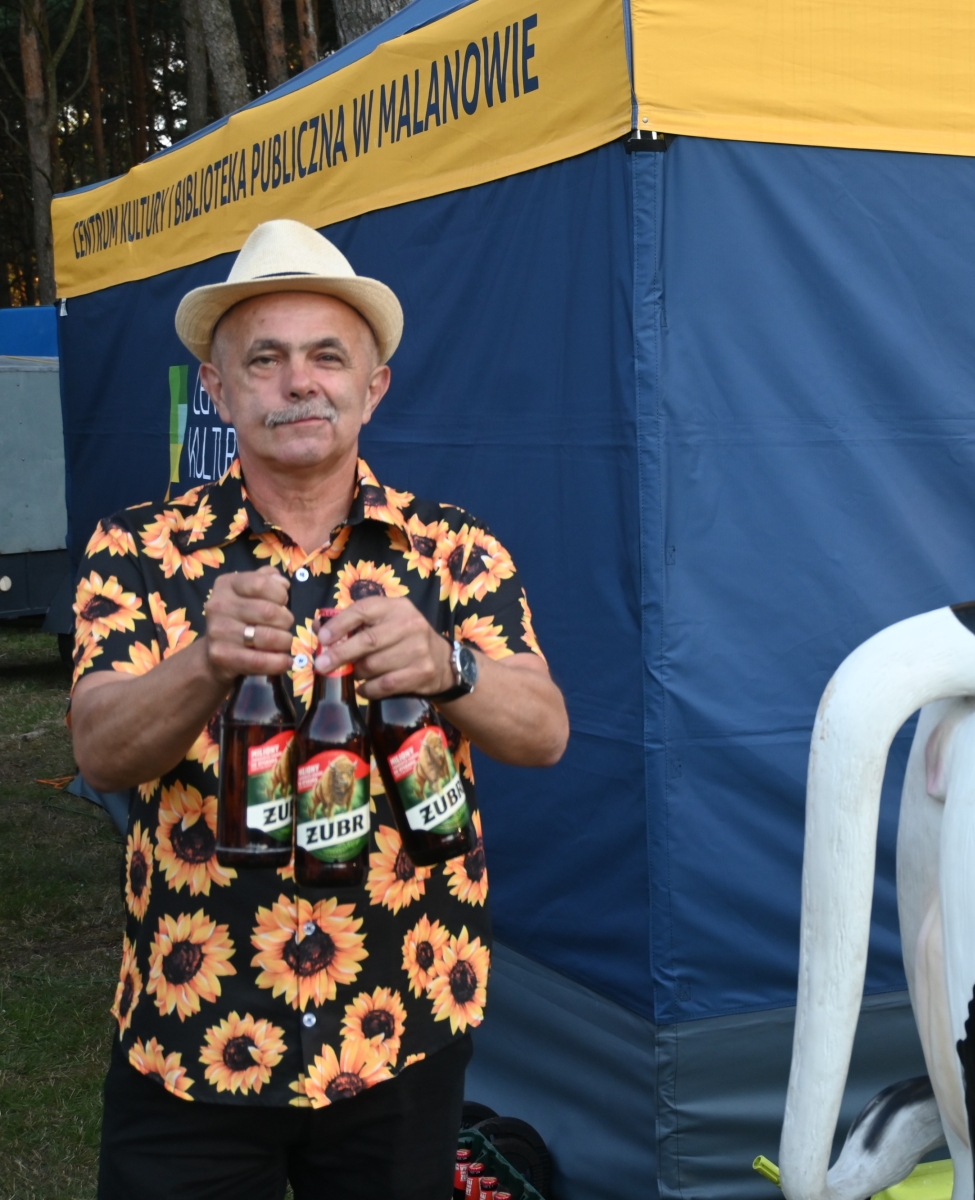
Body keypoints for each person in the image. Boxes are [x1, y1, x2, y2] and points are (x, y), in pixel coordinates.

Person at [69, 218, 569, 1198]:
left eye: (327, 357)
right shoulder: (137, 549)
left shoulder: (452, 550)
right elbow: (100, 752)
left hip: (403, 1021)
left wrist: (447, 665)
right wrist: (200, 665)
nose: (299, 382)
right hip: (194, 1032)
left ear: (372, 387)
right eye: (265, 359)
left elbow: (545, 732)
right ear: (218, 389)